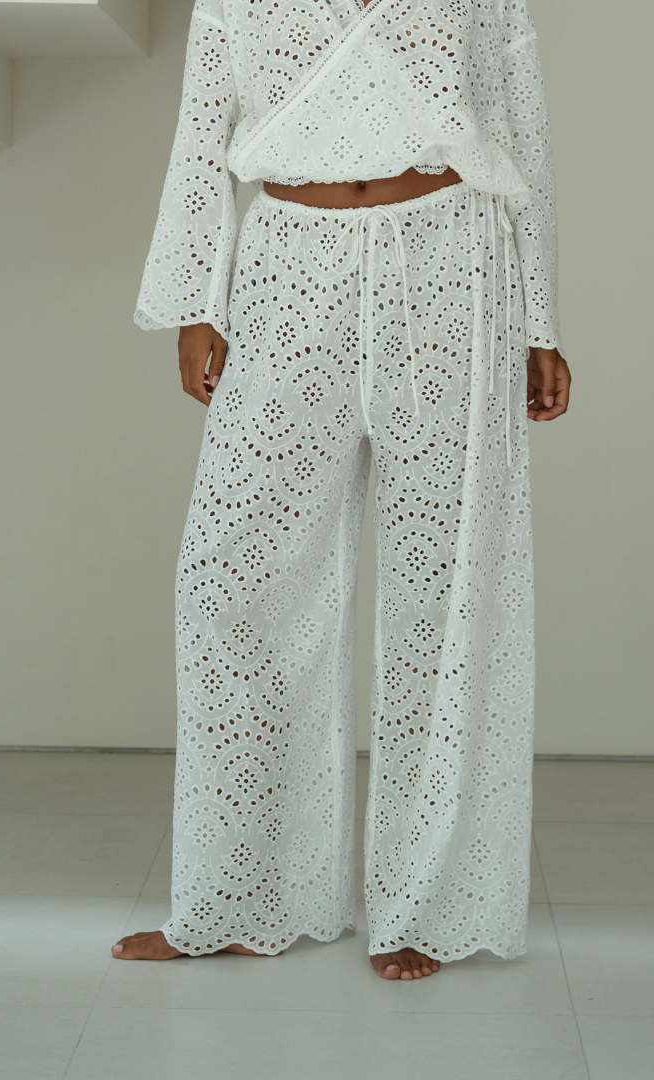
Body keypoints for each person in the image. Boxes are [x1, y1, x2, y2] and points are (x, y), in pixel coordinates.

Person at [112, 0, 570, 981]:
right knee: (231, 585)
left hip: (454, 263)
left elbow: (521, 127)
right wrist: (197, 300)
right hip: (289, 260)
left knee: (445, 588)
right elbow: (201, 131)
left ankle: (423, 906)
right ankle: (241, 895)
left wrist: (542, 321)